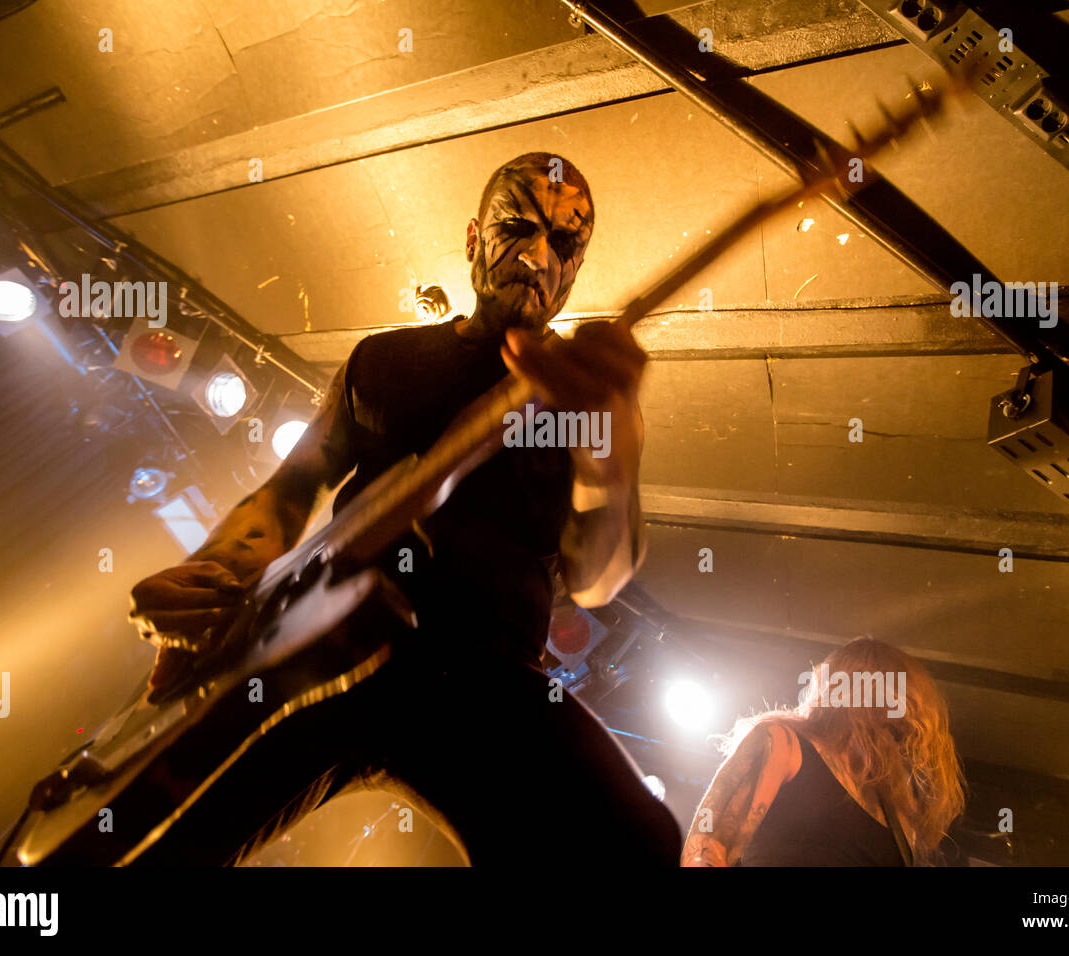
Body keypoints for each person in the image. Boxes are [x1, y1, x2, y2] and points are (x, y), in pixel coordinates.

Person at [126, 151, 682, 866]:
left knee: (633, 844)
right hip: (318, 646)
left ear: (576, 268)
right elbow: (288, 492)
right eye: (520, 226)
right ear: (475, 238)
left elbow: (597, 582)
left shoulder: (585, 396)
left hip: (483, 679)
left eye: (566, 241)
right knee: (140, 843)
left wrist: (614, 446)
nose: (541, 254)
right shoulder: (382, 360)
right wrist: (207, 578)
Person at [681, 637, 965, 866]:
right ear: (858, 697)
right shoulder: (783, 744)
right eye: (893, 710)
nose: (901, 729)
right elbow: (707, 847)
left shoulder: (896, 810)